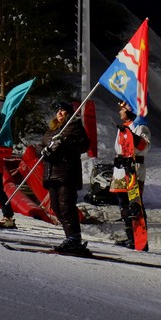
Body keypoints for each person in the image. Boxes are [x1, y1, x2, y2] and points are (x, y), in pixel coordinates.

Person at [39, 101, 90, 253]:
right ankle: (71, 238)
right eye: (58, 111)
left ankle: (74, 239)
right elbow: (41, 145)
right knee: (56, 208)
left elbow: (84, 145)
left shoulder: (74, 127)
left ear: (69, 113)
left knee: (66, 206)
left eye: (63, 111)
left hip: (67, 174)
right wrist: (42, 151)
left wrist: (66, 142)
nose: (60, 113)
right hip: (51, 174)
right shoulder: (51, 130)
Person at [111, 100, 151, 250]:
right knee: (123, 204)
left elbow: (145, 146)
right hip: (121, 170)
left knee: (134, 203)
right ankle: (130, 236)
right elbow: (119, 148)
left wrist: (133, 137)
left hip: (134, 168)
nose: (120, 112)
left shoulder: (140, 127)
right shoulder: (123, 127)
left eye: (122, 109)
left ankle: (139, 237)